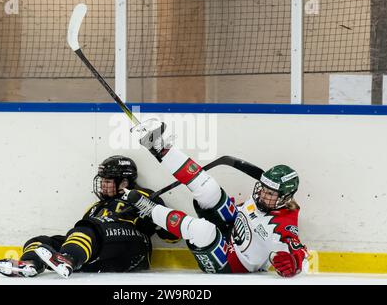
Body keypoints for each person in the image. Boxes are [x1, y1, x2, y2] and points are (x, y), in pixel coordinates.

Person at [120, 119, 309, 278]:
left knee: (202, 230)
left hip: (230, 262)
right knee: (208, 188)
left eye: (270, 193)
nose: (262, 194)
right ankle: (159, 147)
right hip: (230, 226)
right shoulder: (264, 198)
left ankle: (148, 209)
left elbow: (301, 251)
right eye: (263, 189)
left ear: (285, 197)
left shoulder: (284, 224)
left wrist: (293, 262)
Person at [0, 155, 179, 278]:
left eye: (108, 181)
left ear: (124, 182)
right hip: (103, 249)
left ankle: (68, 259)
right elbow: (84, 235)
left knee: (89, 228)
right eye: (103, 181)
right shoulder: (95, 208)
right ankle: (32, 264)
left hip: (134, 249)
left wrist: (152, 213)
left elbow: (172, 237)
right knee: (43, 240)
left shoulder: (143, 196)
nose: (103, 186)